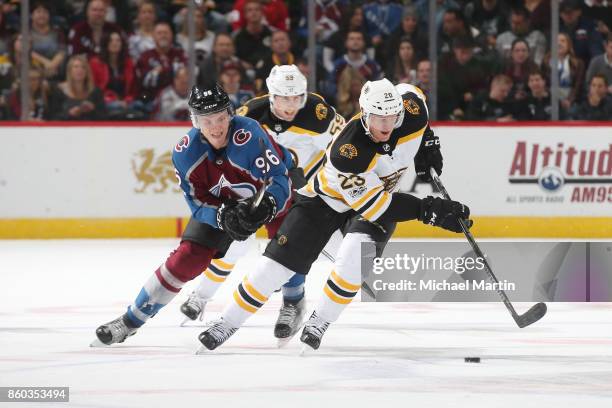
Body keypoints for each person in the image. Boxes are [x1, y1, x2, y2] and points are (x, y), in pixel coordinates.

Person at [197, 79, 472, 351]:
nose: (386, 126)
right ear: (365, 114)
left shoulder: (414, 109)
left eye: (392, 116)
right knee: (275, 267)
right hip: (325, 199)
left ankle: (320, 321)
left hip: (377, 197)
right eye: (378, 118)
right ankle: (226, 323)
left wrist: (428, 142)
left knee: (355, 259)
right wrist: (430, 211)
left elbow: (412, 92)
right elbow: (379, 207)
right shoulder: (348, 152)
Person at [93, 83, 292, 346]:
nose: (215, 127)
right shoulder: (185, 153)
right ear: (194, 121)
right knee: (187, 258)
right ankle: (130, 320)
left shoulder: (250, 132)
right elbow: (198, 204)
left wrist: (268, 204)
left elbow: (280, 179)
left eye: (220, 117)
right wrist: (221, 216)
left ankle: (293, 301)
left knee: (288, 241)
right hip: (224, 205)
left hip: (264, 194)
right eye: (206, 120)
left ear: (230, 114)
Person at [180, 65, 345, 343]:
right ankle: (201, 295)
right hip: (253, 191)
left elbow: (346, 143)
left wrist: (324, 180)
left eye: (297, 98)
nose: (291, 105)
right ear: (271, 96)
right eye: (284, 98)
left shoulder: (319, 112)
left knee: (297, 247)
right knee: (234, 244)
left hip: (299, 194)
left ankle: (293, 304)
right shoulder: (250, 113)